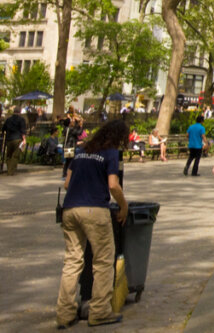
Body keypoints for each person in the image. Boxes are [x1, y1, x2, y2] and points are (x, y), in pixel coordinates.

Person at [56, 119, 129, 328]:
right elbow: (113, 185)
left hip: (70, 209)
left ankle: (65, 313)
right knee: (104, 260)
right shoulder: (111, 153)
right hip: (95, 209)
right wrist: (123, 206)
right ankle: (99, 311)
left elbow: (67, 183)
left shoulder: (80, 152)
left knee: (72, 261)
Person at [3, 109, 27, 175]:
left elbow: (4, 128)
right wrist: (24, 139)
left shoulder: (8, 119)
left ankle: (9, 169)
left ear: (13, 112)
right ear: (19, 112)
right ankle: (11, 171)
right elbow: (23, 131)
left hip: (9, 139)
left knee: (8, 156)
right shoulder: (21, 120)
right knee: (15, 156)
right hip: (18, 139)